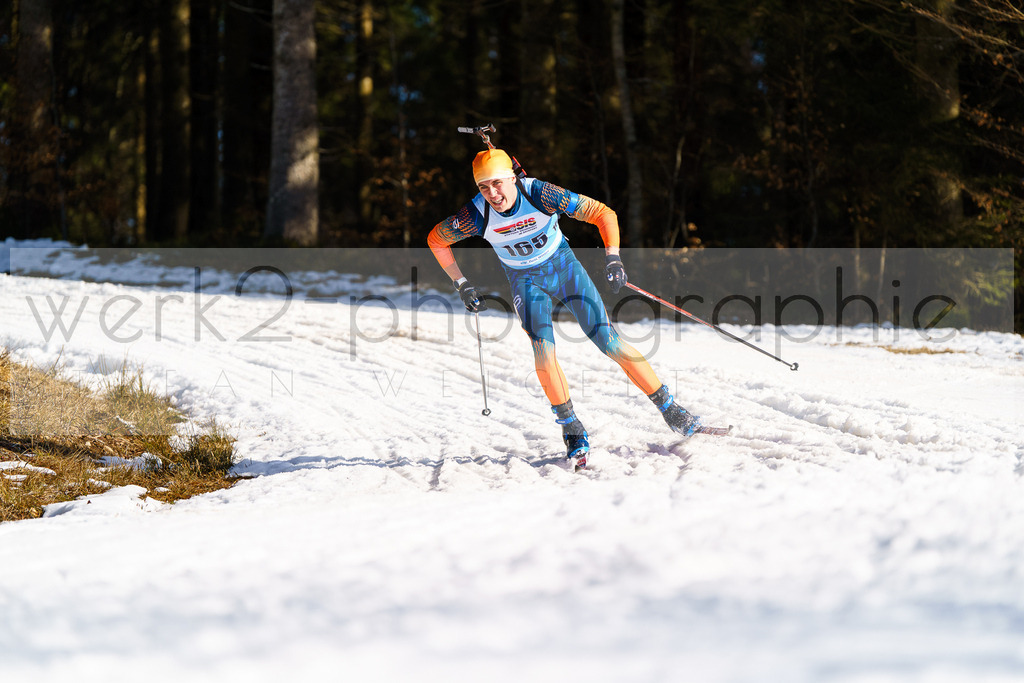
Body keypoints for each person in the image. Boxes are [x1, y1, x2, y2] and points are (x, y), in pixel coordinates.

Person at [427, 148, 702, 469]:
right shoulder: (474, 215)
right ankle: (572, 429)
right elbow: (436, 239)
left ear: (513, 177)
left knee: (608, 341)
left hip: (565, 270)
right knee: (543, 352)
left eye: (499, 183)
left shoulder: (541, 194)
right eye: (484, 187)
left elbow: (603, 213)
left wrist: (613, 256)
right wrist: (462, 283)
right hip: (526, 283)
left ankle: (670, 409)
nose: (493, 194)